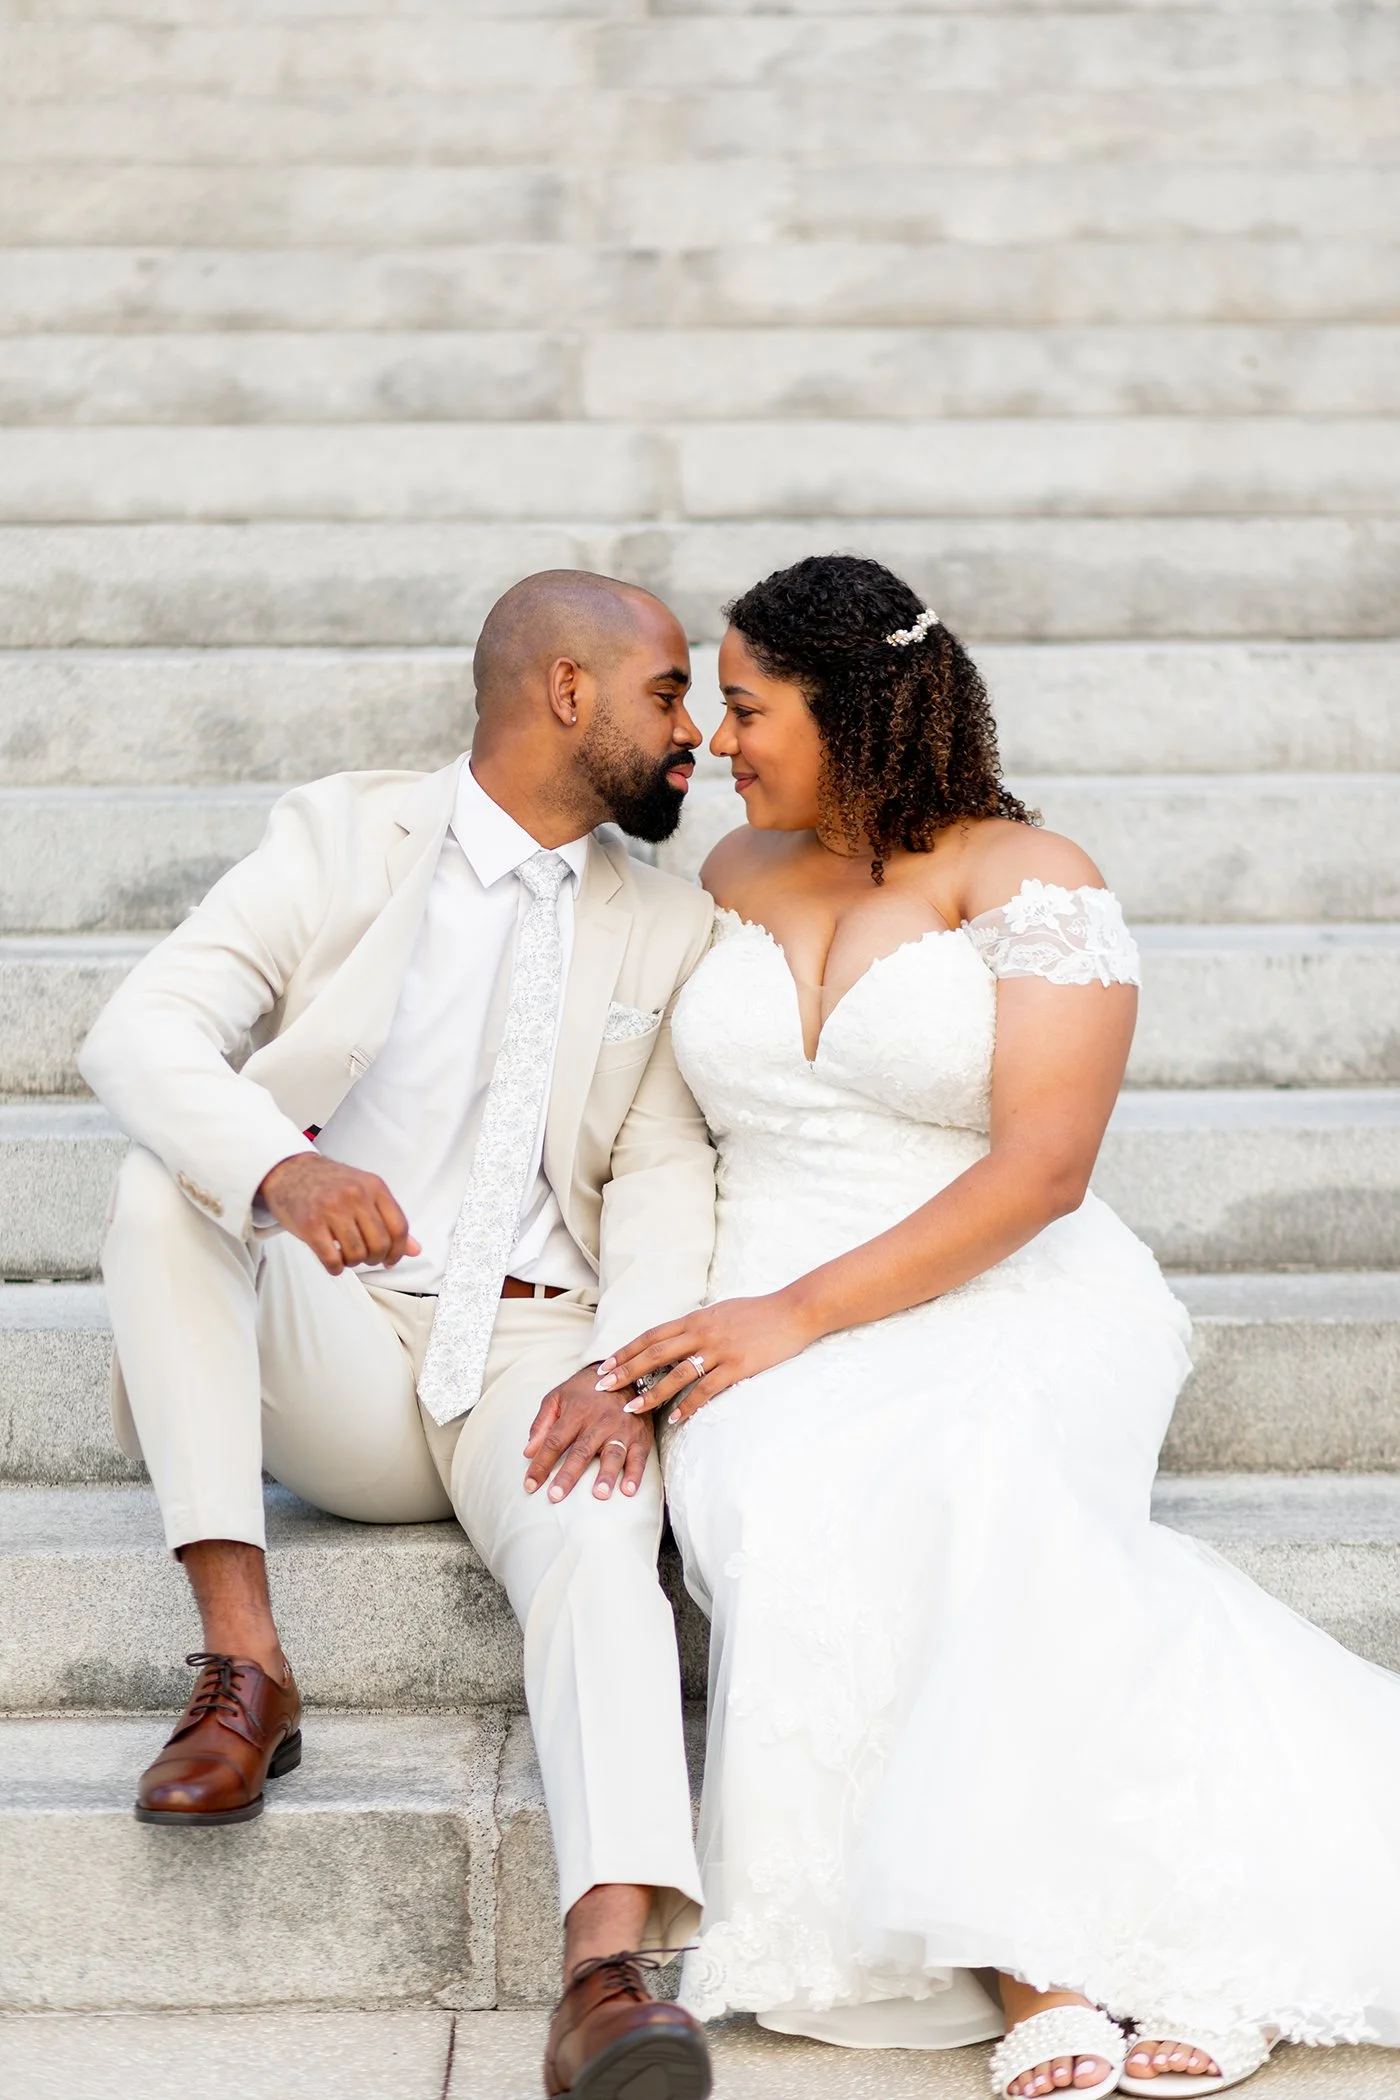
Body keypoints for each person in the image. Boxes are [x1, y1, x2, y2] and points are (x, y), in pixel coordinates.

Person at [599, 554, 1400, 2100]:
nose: (716, 739)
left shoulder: (1033, 879)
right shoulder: (728, 873)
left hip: (1009, 1286)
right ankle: (1108, 1957)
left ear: (852, 709)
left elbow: (1043, 1172)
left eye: (749, 707)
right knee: (808, 1493)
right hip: (760, 1300)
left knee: (973, 1480)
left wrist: (794, 1315)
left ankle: (1091, 1967)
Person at [80, 570, 719, 2100]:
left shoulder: (672, 921)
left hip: (540, 1359)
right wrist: (280, 1169)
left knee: (604, 1548)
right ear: (567, 690)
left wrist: (625, 1367)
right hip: (350, 1341)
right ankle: (245, 1669)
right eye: (668, 694)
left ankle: (606, 1978)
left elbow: (663, 1171)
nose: (692, 731)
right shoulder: (342, 836)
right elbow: (136, 1031)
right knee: (165, 1189)